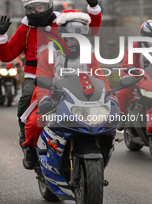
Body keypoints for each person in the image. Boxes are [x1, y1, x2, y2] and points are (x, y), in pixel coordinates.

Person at [0, 0, 103, 160]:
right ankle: (27, 143)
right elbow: (7, 56)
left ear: (48, 5)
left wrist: (93, 8)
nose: (37, 11)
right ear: (27, 10)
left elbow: (93, 29)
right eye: (32, 9)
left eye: (40, 7)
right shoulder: (25, 28)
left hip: (67, 72)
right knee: (27, 99)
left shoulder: (65, 19)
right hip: (35, 76)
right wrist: (0, 36)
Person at [20, 10, 114, 169]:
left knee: (105, 125)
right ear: (62, 35)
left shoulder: (89, 56)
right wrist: (45, 100)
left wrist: (110, 96)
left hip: (85, 100)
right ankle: (31, 149)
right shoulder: (48, 53)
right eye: (72, 37)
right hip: (53, 99)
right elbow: (43, 83)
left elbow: (100, 78)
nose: (76, 41)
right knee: (35, 122)